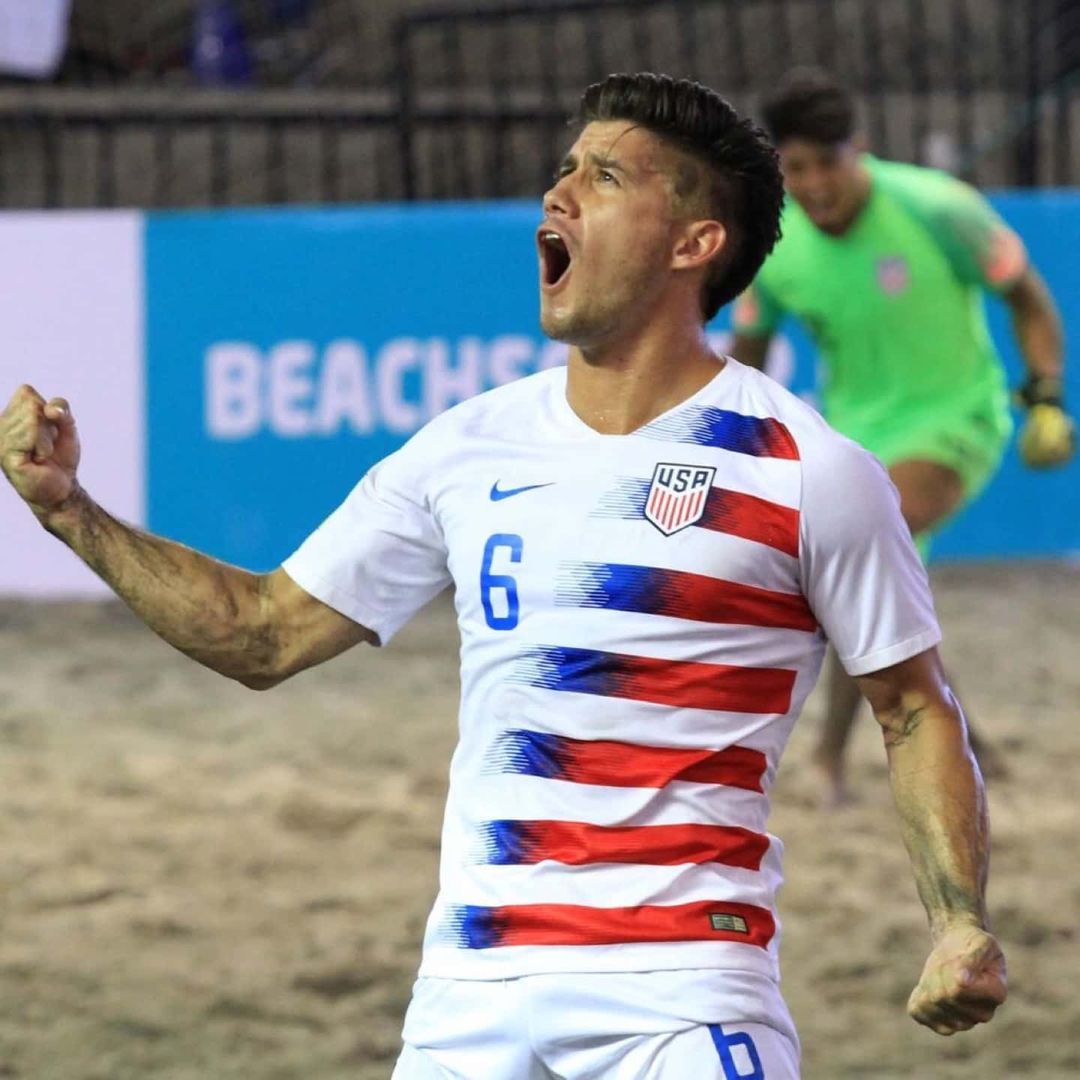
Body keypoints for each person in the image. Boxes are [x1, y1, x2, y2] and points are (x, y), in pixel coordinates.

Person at [1, 73, 1007, 1078]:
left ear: (693, 244)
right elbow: (263, 632)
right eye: (563, 169)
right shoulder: (466, 446)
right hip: (466, 1002)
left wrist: (959, 922)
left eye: (604, 176)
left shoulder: (810, 471)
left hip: (683, 997)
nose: (557, 194)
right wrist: (69, 512)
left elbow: (914, 708)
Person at [730, 68, 1074, 808]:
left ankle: (827, 758)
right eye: (798, 168)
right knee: (876, 575)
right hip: (855, 437)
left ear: (861, 149)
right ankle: (960, 735)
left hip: (958, 418)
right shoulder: (774, 243)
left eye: (830, 163)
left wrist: (1045, 394)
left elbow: (1031, 302)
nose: (816, 185)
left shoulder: (938, 208)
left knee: (865, 541)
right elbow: (746, 360)